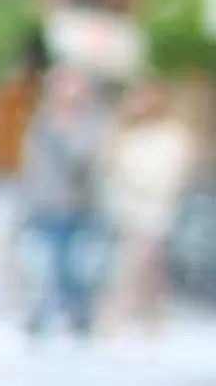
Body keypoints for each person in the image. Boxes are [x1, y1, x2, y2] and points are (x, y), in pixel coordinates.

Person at [19, 66, 110, 341]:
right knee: (47, 265)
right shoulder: (42, 119)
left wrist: (66, 136)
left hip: (77, 206)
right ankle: (51, 315)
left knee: (71, 266)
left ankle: (74, 315)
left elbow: (86, 159)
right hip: (45, 204)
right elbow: (31, 163)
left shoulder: (91, 121)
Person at [101, 81, 192, 338]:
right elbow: (111, 164)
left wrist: (140, 180)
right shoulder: (126, 132)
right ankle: (150, 314)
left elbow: (171, 174)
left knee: (136, 261)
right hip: (125, 207)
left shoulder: (170, 135)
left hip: (155, 208)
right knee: (145, 265)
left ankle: (117, 314)